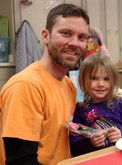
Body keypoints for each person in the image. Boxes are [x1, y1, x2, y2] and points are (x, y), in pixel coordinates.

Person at [0, 3, 90, 165]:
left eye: (81, 37)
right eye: (65, 33)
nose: (75, 43)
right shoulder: (26, 86)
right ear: (46, 36)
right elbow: (20, 161)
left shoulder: (68, 84)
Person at [69, 53, 122, 156]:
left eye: (106, 79)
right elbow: (73, 144)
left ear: (113, 80)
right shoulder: (80, 109)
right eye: (94, 78)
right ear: (83, 81)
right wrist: (90, 143)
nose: (101, 84)